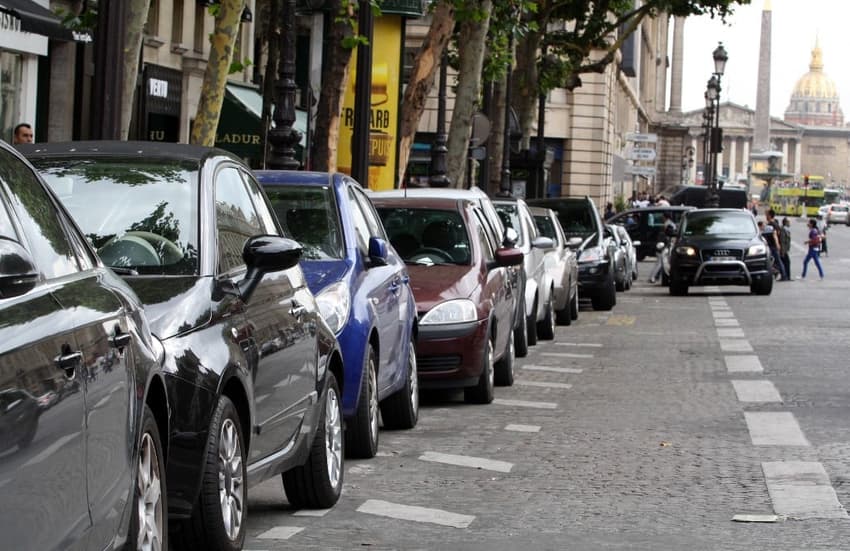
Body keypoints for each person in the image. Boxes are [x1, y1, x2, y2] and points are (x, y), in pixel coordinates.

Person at [648, 212, 675, 284]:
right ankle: (654, 277)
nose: (662, 218)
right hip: (667, 246)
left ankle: (653, 277)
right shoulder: (671, 224)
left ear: (666, 217)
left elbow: (668, 237)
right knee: (661, 263)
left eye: (663, 217)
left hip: (667, 246)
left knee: (660, 263)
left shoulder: (668, 225)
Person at [765, 209, 789, 281]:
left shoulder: (771, 224)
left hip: (772, 246)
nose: (766, 216)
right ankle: (779, 273)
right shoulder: (775, 224)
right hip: (773, 245)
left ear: (769, 215)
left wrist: (777, 244)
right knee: (775, 261)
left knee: (776, 261)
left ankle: (783, 275)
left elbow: (775, 235)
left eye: (766, 214)